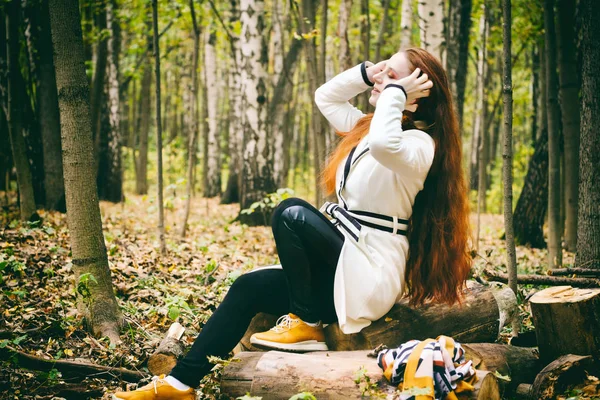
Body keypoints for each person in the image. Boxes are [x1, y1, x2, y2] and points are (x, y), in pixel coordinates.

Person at [112, 47, 472, 400]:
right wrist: (366, 73)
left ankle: (305, 322)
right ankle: (179, 385)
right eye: (384, 74)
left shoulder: (421, 145)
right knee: (247, 287)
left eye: (393, 76)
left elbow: (383, 144)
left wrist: (394, 93)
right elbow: (326, 98)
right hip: (338, 264)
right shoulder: (370, 127)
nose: (383, 82)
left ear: (417, 94)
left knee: (292, 214)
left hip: (367, 272)